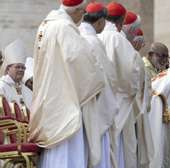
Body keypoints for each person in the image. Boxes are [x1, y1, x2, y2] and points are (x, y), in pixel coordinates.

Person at [28, 0, 106, 167]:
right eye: (83, 11)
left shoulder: (46, 25)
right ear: (76, 10)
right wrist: (98, 76)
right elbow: (78, 60)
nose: (83, 15)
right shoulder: (64, 27)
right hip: (65, 101)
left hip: (49, 97)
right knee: (68, 152)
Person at [98, 2, 151, 168]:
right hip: (120, 104)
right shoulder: (119, 40)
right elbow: (132, 76)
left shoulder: (97, 36)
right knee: (120, 151)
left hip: (100, 103)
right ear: (121, 22)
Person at [79, 2, 118, 168]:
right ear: (101, 21)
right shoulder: (93, 41)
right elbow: (107, 78)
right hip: (95, 107)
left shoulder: (76, 35)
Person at [0, 39, 32, 109]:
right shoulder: (2, 86)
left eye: (23, 68)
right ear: (8, 69)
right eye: (17, 67)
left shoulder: (27, 90)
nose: (21, 70)